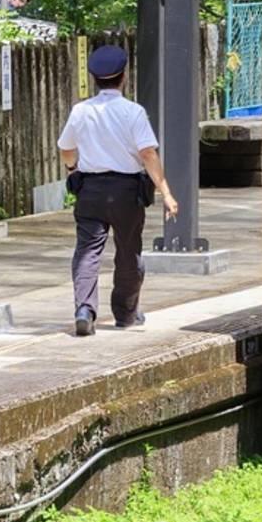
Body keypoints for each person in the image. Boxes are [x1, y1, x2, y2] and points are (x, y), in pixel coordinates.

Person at [57, 45, 179, 336]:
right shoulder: (133, 112)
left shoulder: (80, 111)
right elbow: (148, 154)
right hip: (126, 192)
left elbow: (65, 148)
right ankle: (125, 314)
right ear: (124, 76)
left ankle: (85, 309)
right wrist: (166, 192)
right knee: (128, 252)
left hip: (90, 190)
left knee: (87, 251)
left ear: (95, 78)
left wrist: (73, 171)